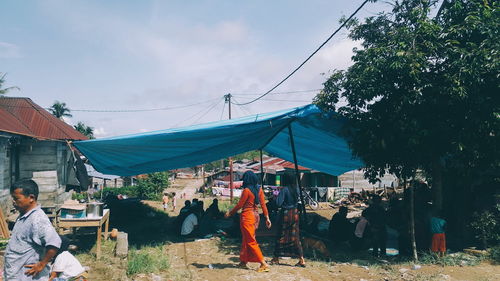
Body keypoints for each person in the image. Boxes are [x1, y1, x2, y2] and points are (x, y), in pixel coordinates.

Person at [4, 179, 62, 281]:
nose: (13, 202)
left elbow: (55, 242)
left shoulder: (37, 219)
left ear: (31, 198)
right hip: (16, 275)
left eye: (16, 198)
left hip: (27, 276)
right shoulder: (23, 216)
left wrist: (42, 264)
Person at [225, 171, 271, 272]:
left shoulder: (246, 190)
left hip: (247, 217)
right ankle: (243, 261)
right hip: (256, 216)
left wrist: (230, 213)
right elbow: (263, 205)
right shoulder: (259, 189)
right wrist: (267, 217)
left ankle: (263, 263)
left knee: (250, 240)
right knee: (246, 239)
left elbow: (240, 205)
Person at [270, 185, 305, 267]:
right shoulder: (296, 189)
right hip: (295, 214)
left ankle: (275, 258)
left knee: (281, 236)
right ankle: (302, 259)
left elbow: (278, 203)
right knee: (295, 237)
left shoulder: (284, 189)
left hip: (285, 214)